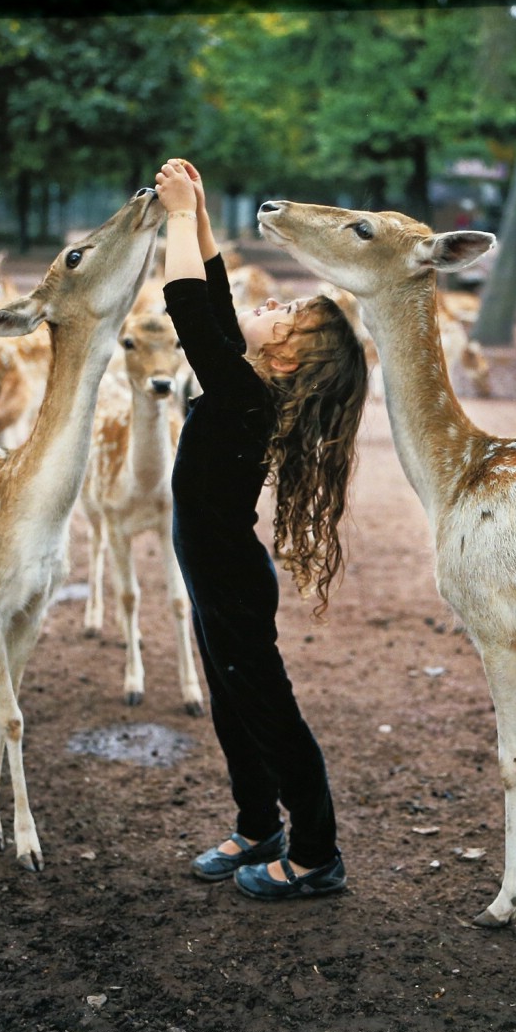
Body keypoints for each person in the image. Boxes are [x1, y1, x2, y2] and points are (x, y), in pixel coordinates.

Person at [154, 158, 370, 901]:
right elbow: (213, 305)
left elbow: (189, 311)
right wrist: (203, 216)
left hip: (233, 587)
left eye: (284, 313)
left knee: (270, 714)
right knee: (234, 704)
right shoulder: (248, 385)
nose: (271, 303)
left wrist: (180, 219)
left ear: (281, 358)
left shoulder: (246, 396)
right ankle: (258, 826)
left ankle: (315, 854)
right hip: (220, 580)